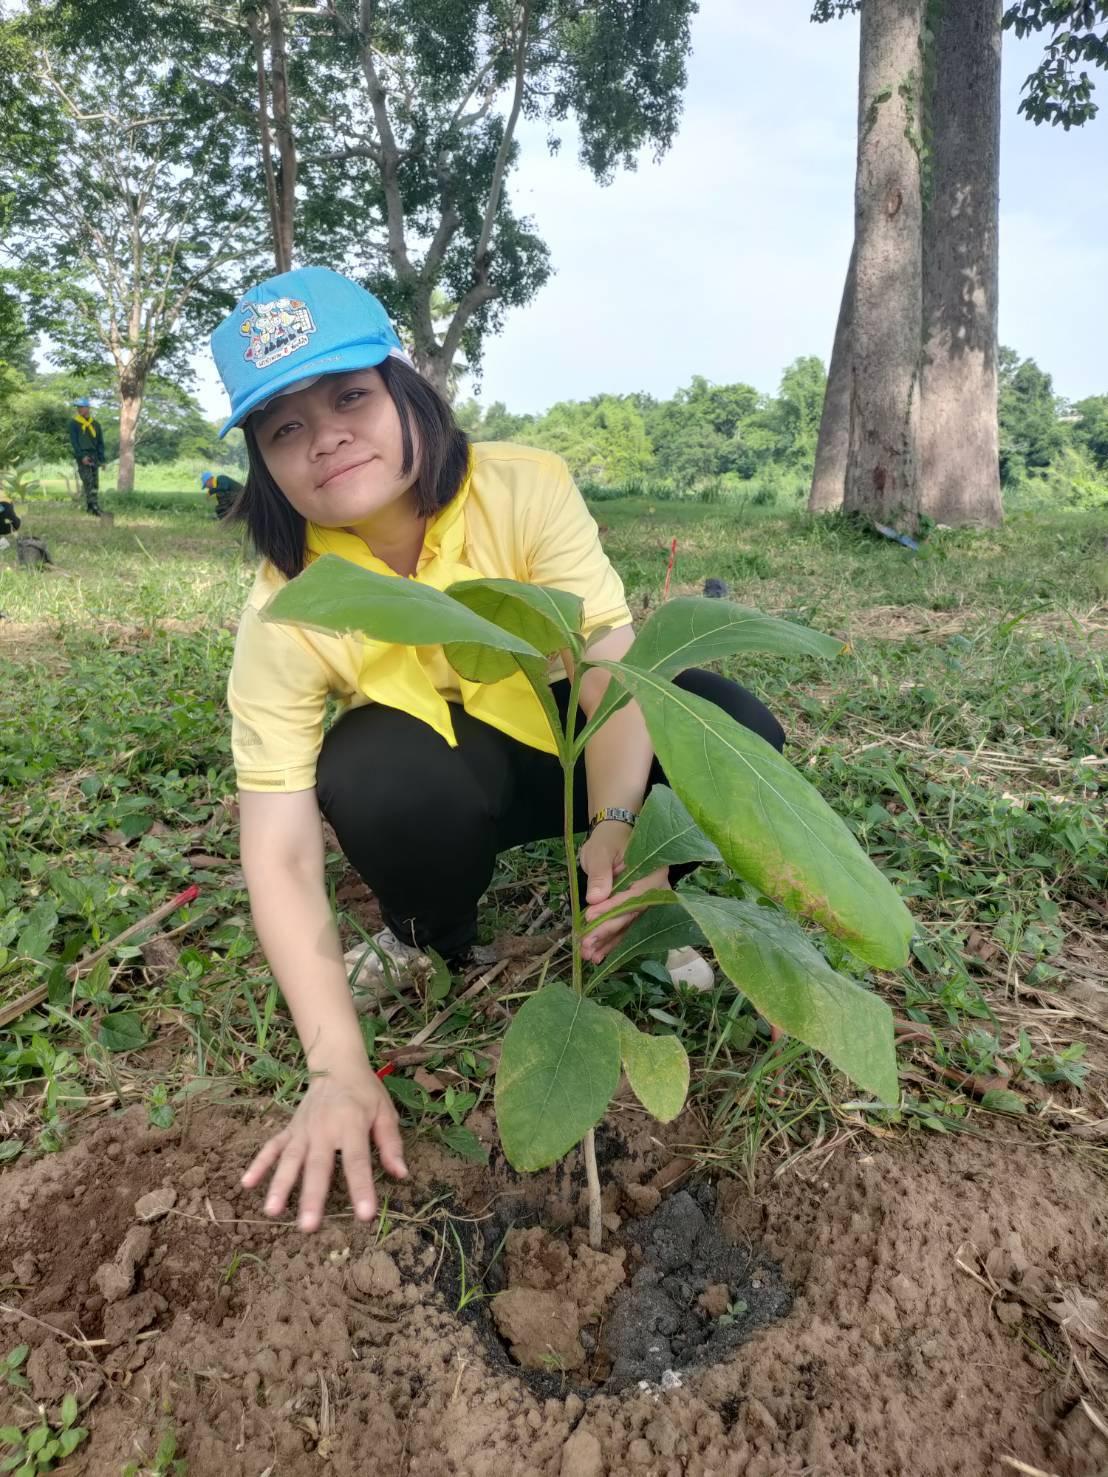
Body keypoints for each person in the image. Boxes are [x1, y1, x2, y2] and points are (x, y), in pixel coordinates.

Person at [210, 267, 786, 1233]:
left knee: (727, 720)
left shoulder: (522, 485)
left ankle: (646, 902)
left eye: (349, 396)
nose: (326, 437)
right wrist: (336, 1067)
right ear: (265, 465)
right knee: (372, 770)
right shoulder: (288, 601)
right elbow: (278, 848)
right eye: (284, 428)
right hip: (446, 772)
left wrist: (618, 824)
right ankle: (428, 933)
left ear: (405, 389)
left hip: (571, 742)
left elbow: (609, 672)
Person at [69, 397, 106, 516]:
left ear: (87, 408)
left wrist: (102, 459)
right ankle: (93, 506)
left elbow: (100, 443)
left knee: (95, 482)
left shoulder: (96, 424)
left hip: (94, 455)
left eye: (81, 407)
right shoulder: (74, 423)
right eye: (78, 407)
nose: (79, 409)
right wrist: (82, 456)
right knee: (88, 480)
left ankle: (91, 506)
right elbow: (74, 442)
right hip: (83, 456)